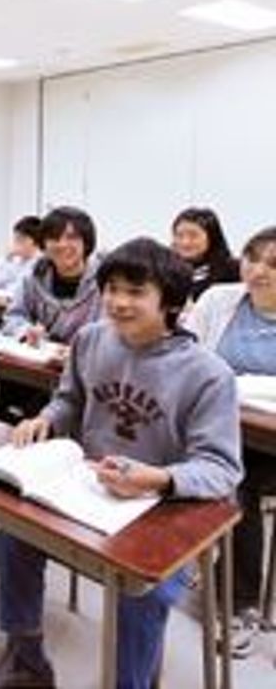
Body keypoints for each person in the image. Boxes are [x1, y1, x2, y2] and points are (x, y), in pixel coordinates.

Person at [0, 238, 242, 689]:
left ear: (170, 301)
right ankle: (26, 658)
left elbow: (221, 468)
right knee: (11, 530)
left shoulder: (208, 375)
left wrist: (158, 478)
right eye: (111, 288)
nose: (117, 302)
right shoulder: (91, 340)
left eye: (135, 292)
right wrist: (45, 419)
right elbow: (69, 400)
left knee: (141, 592)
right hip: (91, 490)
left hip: (165, 513)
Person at [188, 225, 276, 658]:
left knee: (235, 478)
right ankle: (187, 558)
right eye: (253, 257)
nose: (258, 270)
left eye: (274, 264)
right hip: (213, 425)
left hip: (268, 446)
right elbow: (186, 351)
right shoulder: (218, 299)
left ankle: (238, 603)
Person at [0, 206, 102, 422]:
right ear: (44, 244)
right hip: (38, 363)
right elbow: (12, 316)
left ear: (87, 242)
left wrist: (78, 349)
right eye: (54, 237)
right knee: (2, 397)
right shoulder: (34, 276)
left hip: (81, 372)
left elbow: (110, 333)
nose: (62, 244)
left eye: (72, 237)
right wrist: (27, 331)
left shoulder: (103, 283)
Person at [171, 206, 239, 303]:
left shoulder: (233, 271)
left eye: (193, 235)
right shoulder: (166, 274)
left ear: (212, 237)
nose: (185, 242)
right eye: (179, 235)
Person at [0, 215, 43, 299]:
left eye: (20, 239)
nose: (16, 243)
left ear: (35, 242)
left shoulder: (39, 264)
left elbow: (17, 291)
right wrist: (5, 258)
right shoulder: (15, 259)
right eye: (15, 239)